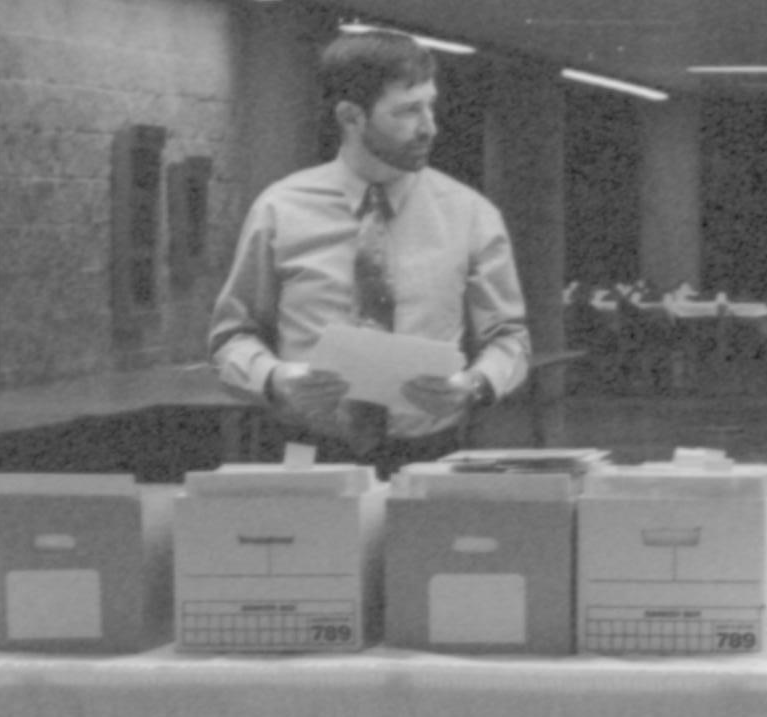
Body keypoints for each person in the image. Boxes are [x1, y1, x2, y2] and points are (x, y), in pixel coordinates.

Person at [208, 27, 530, 472]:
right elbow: (231, 336)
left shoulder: (471, 214)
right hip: (308, 455)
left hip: (430, 456)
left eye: (430, 105)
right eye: (408, 111)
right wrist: (275, 378)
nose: (429, 127)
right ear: (351, 116)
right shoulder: (280, 209)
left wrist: (473, 385)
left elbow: (509, 339)